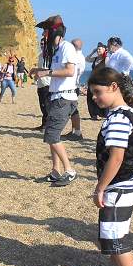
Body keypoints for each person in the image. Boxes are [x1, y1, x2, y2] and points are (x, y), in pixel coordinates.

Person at [85, 67, 133, 266]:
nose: (94, 98)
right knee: (111, 231)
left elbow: (117, 157)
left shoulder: (119, 118)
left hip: (121, 185)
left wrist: (101, 187)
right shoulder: (126, 111)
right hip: (129, 181)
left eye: (98, 92)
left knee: (115, 237)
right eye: (92, 93)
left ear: (114, 88)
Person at [30, 24, 79, 186]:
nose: (43, 35)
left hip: (64, 98)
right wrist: (40, 69)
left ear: (53, 32)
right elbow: (55, 70)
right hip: (56, 97)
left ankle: (70, 171)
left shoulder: (67, 47)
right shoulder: (57, 49)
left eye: (45, 31)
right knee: (53, 136)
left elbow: (70, 71)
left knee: (51, 135)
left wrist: (46, 72)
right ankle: (55, 171)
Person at [63, 38, 86, 140]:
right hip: (74, 85)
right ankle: (75, 130)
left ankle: (77, 132)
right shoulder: (81, 57)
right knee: (73, 110)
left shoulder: (75, 57)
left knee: (73, 110)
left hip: (72, 86)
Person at [84, 42, 108, 120]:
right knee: (90, 98)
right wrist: (92, 52)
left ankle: (103, 114)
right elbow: (86, 59)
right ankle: (94, 114)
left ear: (104, 50)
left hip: (102, 82)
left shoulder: (106, 59)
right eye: (97, 49)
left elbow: (109, 70)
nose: (98, 50)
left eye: (99, 49)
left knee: (101, 98)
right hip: (93, 81)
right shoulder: (95, 58)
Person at [34, 51, 52, 130]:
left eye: (43, 43)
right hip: (41, 84)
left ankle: (46, 126)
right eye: (41, 43)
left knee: (46, 106)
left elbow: (50, 69)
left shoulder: (50, 55)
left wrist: (37, 71)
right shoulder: (40, 55)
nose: (42, 45)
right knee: (42, 105)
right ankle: (44, 124)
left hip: (47, 84)